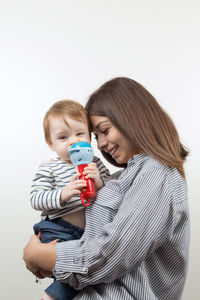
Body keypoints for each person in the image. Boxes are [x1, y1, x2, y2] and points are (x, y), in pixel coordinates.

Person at [24, 77, 190, 300]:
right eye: (96, 136)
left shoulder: (157, 174)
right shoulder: (126, 177)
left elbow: (113, 255)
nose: (100, 144)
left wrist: (44, 255)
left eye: (105, 130)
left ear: (132, 119)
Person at [30, 100, 110, 300]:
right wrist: (63, 194)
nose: (73, 141)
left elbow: (113, 192)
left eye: (80, 134)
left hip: (88, 233)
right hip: (58, 228)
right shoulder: (49, 168)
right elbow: (36, 199)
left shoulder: (95, 163)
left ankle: (57, 294)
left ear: (90, 137)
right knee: (75, 269)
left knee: (88, 273)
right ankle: (52, 297)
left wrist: (99, 182)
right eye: (63, 137)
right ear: (51, 143)